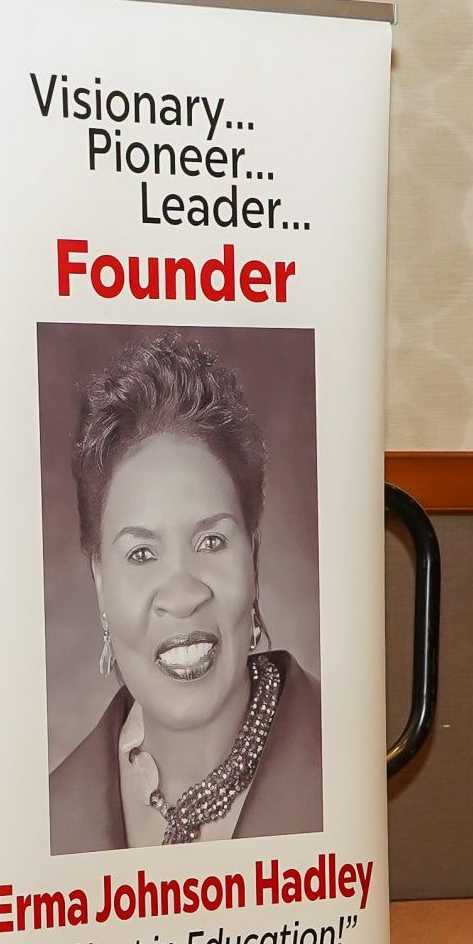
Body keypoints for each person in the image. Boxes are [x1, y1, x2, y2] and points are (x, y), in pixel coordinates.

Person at [50, 331, 321, 854]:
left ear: (255, 556)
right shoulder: (49, 818)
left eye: (211, 541)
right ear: (100, 582)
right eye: (142, 554)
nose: (181, 594)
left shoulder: (349, 759)